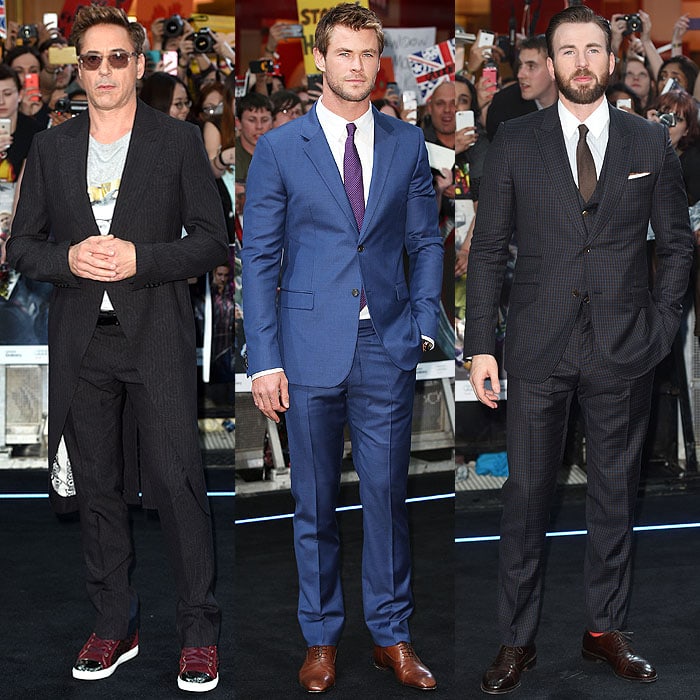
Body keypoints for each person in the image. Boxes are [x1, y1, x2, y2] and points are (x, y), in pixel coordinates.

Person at [465, 5, 693, 695]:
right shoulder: (511, 142)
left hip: (626, 347)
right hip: (536, 348)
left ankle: (605, 630)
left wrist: (661, 327)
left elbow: (677, 245)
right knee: (526, 499)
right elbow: (487, 253)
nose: (583, 62)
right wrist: (482, 346)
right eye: (569, 51)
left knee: (615, 497)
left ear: (609, 54)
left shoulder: (647, 143)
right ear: (552, 61)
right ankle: (516, 640)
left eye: (594, 48)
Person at [6, 5, 228, 692]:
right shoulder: (51, 148)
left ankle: (198, 631)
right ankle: (113, 622)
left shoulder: (178, 142)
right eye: (91, 60)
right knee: (99, 489)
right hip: (82, 343)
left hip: (156, 336)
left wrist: (142, 259)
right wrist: (71, 258)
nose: (104, 71)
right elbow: (23, 248)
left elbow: (212, 241)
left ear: (137, 64)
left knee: (180, 483)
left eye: (116, 58)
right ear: (78, 69)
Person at [241, 3, 443, 693]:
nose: (358, 66)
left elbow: (425, 241)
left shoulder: (406, 143)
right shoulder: (278, 148)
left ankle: (391, 634)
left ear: (377, 61)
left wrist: (419, 326)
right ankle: (321, 637)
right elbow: (259, 259)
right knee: (314, 502)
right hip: (305, 348)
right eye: (345, 53)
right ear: (319, 58)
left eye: (368, 54)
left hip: (385, 344)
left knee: (388, 499)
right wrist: (264, 358)